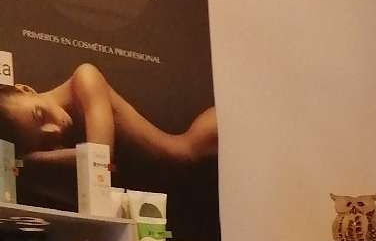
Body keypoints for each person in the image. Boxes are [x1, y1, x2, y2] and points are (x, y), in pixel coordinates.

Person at [0, 62, 218, 167]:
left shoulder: (84, 79)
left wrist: (28, 159)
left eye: (39, 115)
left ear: (26, 89)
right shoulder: (57, 137)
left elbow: (100, 159)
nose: (55, 129)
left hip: (191, 149)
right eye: (43, 139)